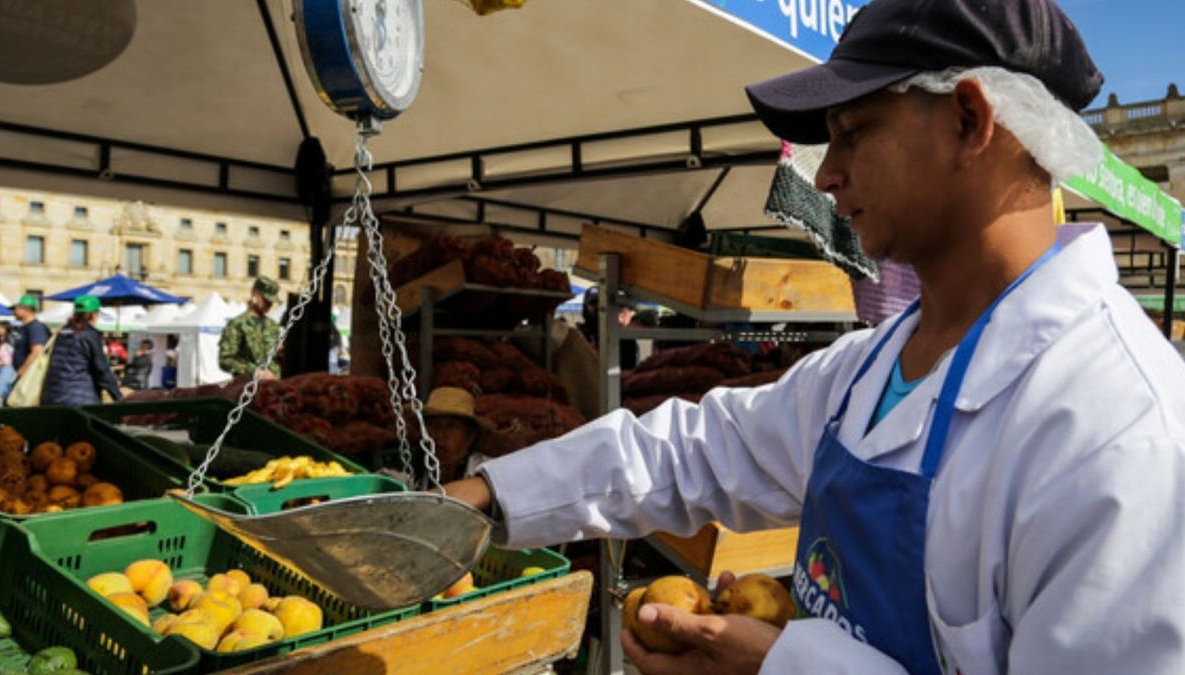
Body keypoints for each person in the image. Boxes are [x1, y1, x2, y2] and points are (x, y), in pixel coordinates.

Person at [445, 1, 1185, 673]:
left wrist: (782, 665)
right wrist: (482, 496)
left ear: (969, 120)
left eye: (853, 133)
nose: (826, 175)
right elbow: (695, 450)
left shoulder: (1118, 430)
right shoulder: (870, 369)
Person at [41, 296, 122, 406]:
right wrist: (118, 397)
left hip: (52, 396)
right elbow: (101, 370)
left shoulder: (62, 332)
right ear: (93, 314)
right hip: (80, 399)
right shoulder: (89, 334)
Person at [421, 386, 494, 484]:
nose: (440, 434)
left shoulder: (488, 472)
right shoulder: (409, 466)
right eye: (433, 425)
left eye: (451, 426)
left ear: (470, 436)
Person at [219, 276, 281, 379]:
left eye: (271, 301)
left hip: (274, 387)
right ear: (254, 294)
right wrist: (255, 372)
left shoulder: (273, 325)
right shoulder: (237, 324)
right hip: (248, 387)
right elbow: (225, 360)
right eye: (265, 300)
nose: (269, 304)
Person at [7, 294, 49, 402]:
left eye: (15, 308)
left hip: (29, 378)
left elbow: (37, 351)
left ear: (24, 309)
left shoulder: (35, 327)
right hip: (25, 376)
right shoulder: (25, 327)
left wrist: (21, 372)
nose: (13, 312)